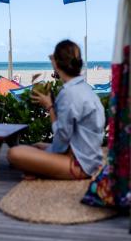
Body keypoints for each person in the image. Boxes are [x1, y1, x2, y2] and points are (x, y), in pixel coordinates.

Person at [7, 40, 105, 180]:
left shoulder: (69, 93)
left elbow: (61, 139)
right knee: (37, 146)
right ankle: (40, 168)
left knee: (14, 153)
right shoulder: (84, 88)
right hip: (88, 155)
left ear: (56, 64)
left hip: (80, 165)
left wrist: (49, 106)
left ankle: (43, 171)